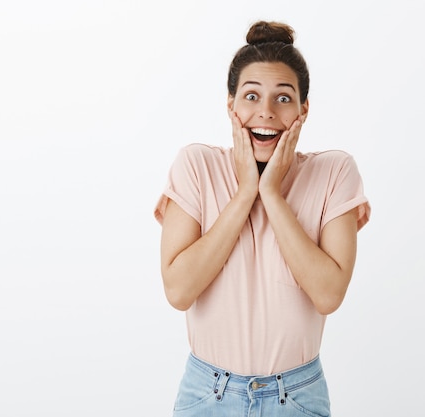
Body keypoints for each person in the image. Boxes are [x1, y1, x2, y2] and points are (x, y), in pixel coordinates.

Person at [154, 20, 370, 417]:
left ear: (303, 110)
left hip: (298, 397)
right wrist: (245, 193)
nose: (266, 112)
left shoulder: (334, 172)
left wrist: (271, 193)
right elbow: (179, 291)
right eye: (251, 96)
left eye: (283, 98)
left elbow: (328, 295)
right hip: (208, 395)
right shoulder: (196, 165)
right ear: (231, 105)